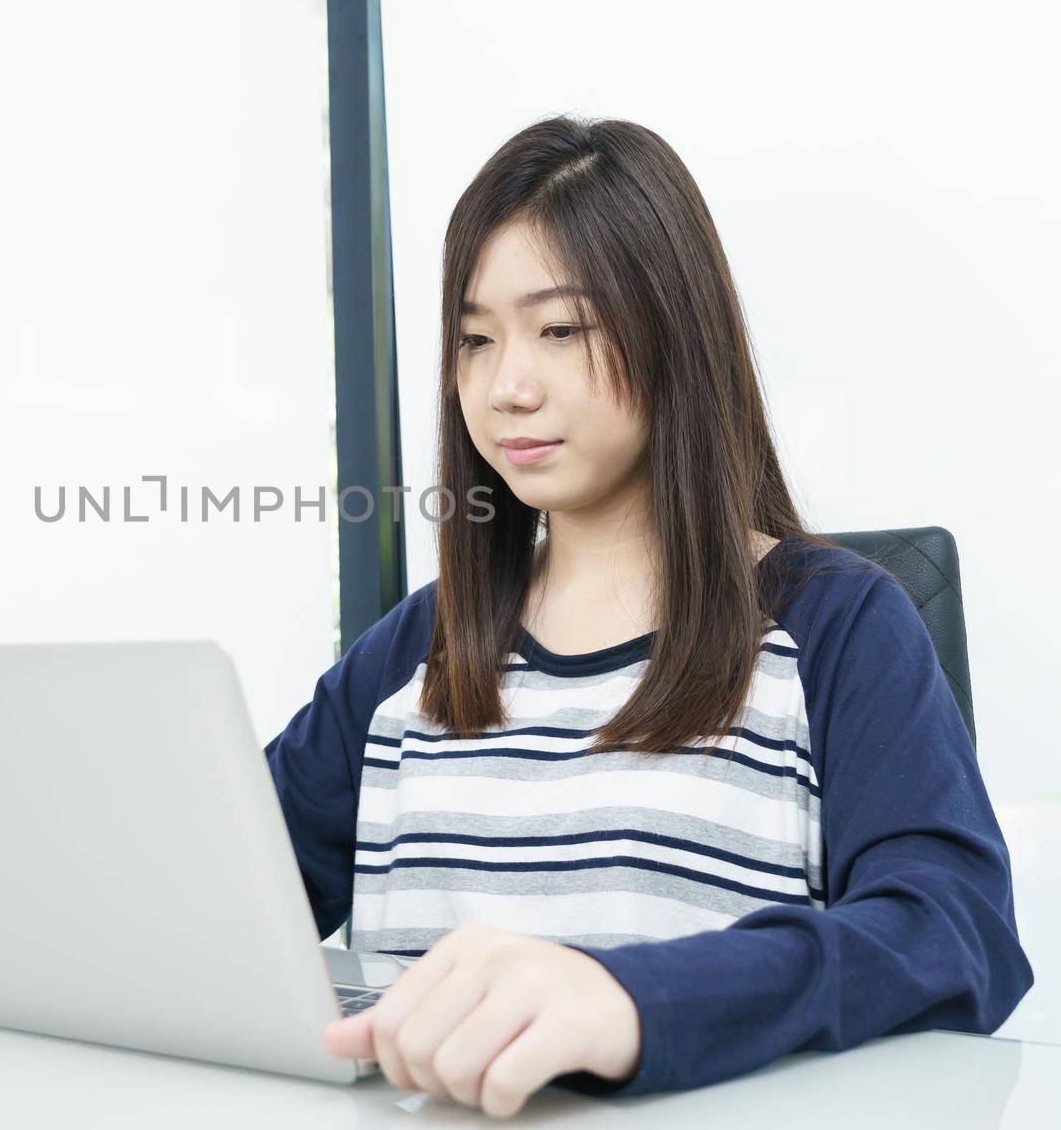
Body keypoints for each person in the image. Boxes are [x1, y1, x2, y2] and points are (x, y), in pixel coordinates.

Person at [263, 115, 1032, 1118]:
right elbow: (223, 904)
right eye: (474, 339)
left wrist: (631, 997)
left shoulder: (837, 624)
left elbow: (952, 932)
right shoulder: (416, 648)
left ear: (672, 328)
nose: (506, 386)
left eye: (559, 329)